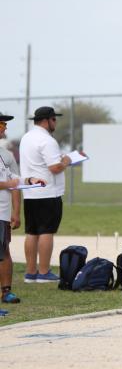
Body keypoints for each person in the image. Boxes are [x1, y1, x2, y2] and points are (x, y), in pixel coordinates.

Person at [20, 107, 71, 283]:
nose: (55, 123)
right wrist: (66, 161)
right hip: (48, 192)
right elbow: (55, 167)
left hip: (30, 192)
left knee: (32, 232)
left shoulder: (26, 138)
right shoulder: (47, 140)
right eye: (54, 119)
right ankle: (43, 272)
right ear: (47, 120)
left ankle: (30, 272)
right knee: (46, 231)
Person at [0, 112, 46, 307]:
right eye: (2, 124)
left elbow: (12, 178)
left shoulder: (3, 155)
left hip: (2, 214)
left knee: (3, 252)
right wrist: (6, 183)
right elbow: (6, 182)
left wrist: (30, 180)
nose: (5, 128)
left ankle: (5, 292)